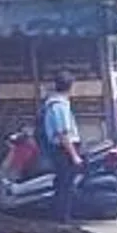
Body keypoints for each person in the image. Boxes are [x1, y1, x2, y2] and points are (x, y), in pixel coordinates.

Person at [39, 71, 82, 224]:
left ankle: (62, 217)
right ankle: (62, 220)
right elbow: (63, 134)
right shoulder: (59, 105)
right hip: (63, 150)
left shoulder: (54, 103)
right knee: (65, 186)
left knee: (63, 184)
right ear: (70, 87)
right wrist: (74, 155)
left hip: (61, 149)